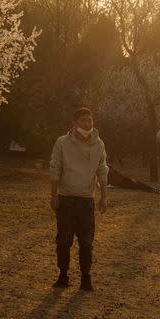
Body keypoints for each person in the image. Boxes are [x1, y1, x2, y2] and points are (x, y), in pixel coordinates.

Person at [49, 107, 109, 291]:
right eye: (83, 121)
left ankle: (85, 277)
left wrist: (103, 197)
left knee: (86, 242)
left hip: (86, 201)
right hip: (66, 199)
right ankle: (63, 275)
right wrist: (53, 195)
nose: (87, 124)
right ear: (74, 123)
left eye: (89, 120)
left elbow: (102, 170)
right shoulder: (62, 142)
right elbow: (55, 168)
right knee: (63, 241)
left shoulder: (99, 145)